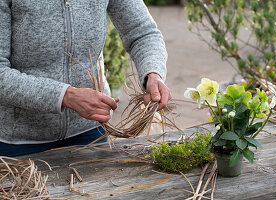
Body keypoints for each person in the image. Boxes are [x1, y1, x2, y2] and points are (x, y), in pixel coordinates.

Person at [0, 0, 171, 156]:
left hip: (91, 131)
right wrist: (65, 96)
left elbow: (142, 33)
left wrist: (152, 73)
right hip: (19, 142)